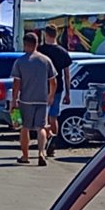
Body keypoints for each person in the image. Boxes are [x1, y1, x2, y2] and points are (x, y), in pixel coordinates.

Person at [9, 32, 56, 166]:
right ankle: (41, 153)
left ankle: (25, 155)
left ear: (25, 44)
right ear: (37, 44)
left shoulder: (20, 61)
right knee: (41, 127)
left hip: (26, 100)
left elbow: (16, 83)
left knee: (25, 128)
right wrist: (51, 95)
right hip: (42, 99)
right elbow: (53, 81)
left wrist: (14, 99)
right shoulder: (45, 60)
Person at [37, 24, 73, 152]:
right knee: (54, 117)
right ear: (56, 34)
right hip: (58, 88)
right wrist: (68, 93)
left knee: (43, 118)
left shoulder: (39, 51)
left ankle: (44, 141)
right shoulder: (63, 52)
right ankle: (53, 144)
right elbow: (67, 75)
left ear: (46, 34)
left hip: (42, 88)